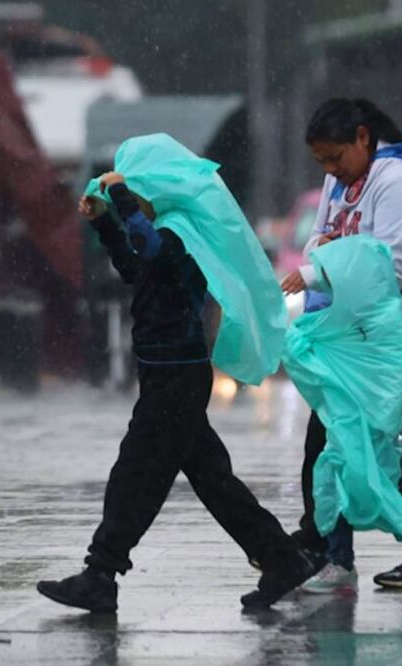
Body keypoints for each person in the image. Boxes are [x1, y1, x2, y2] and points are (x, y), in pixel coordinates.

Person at [36, 134, 317, 613]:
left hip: (177, 377)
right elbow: (136, 267)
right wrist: (104, 221)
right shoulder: (164, 231)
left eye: (135, 190)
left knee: (135, 473)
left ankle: (101, 571)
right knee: (212, 480)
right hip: (165, 374)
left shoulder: (182, 233)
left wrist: (119, 195)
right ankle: (282, 558)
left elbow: (148, 247)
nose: (129, 200)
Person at [281, 98, 402, 590]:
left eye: (335, 157)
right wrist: (329, 259)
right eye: (321, 161)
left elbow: (389, 268)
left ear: (363, 137)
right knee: (328, 434)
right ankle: (327, 547)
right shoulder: (338, 182)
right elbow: (317, 241)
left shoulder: (399, 182)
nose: (330, 170)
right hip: (352, 326)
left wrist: (325, 264)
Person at [282, 235, 402, 594]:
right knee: (333, 476)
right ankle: (340, 559)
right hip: (349, 419)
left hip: (369, 421)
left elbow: (305, 345)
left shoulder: (373, 318)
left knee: (366, 486)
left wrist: (311, 274)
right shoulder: (358, 315)